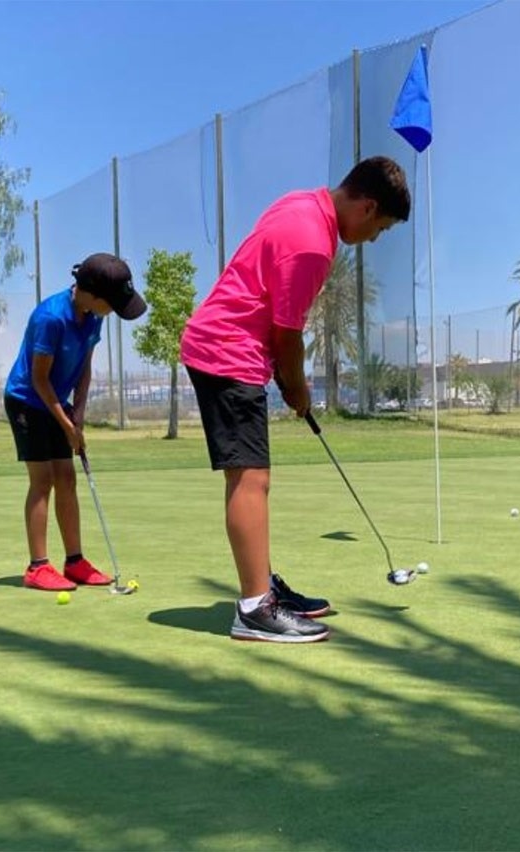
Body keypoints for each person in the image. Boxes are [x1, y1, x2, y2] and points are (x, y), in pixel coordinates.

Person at [181, 155, 411, 642]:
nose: (375, 239)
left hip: (225, 345)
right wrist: (298, 388)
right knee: (251, 478)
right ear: (368, 207)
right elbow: (287, 334)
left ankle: (262, 586)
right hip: (226, 349)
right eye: (381, 229)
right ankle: (254, 609)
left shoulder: (301, 203)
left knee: (251, 476)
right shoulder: (313, 244)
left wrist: (288, 382)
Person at [4, 253, 147, 591]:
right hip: (27, 400)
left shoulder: (94, 317)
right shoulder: (50, 317)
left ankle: (75, 561)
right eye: (111, 303)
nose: (113, 311)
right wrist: (67, 426)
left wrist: (78, 415)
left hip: (56, 401)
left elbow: (84, 367)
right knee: (43, 480)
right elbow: (39, 379)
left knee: (67, 478)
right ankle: (38, 566)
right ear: (91, 294)